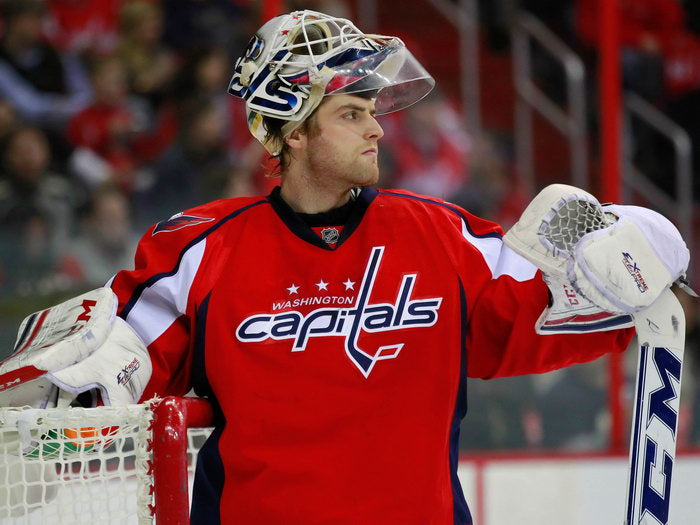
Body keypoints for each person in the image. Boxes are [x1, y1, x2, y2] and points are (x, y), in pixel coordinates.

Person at [0, 10, 691, 524]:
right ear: (293, 130)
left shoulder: (442, 237)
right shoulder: (201, 251)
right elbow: (106, 375)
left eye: (373, 111)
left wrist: (633, 259)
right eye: (353, 113)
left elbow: (546, 315)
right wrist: (74, 393)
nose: (378, 128)